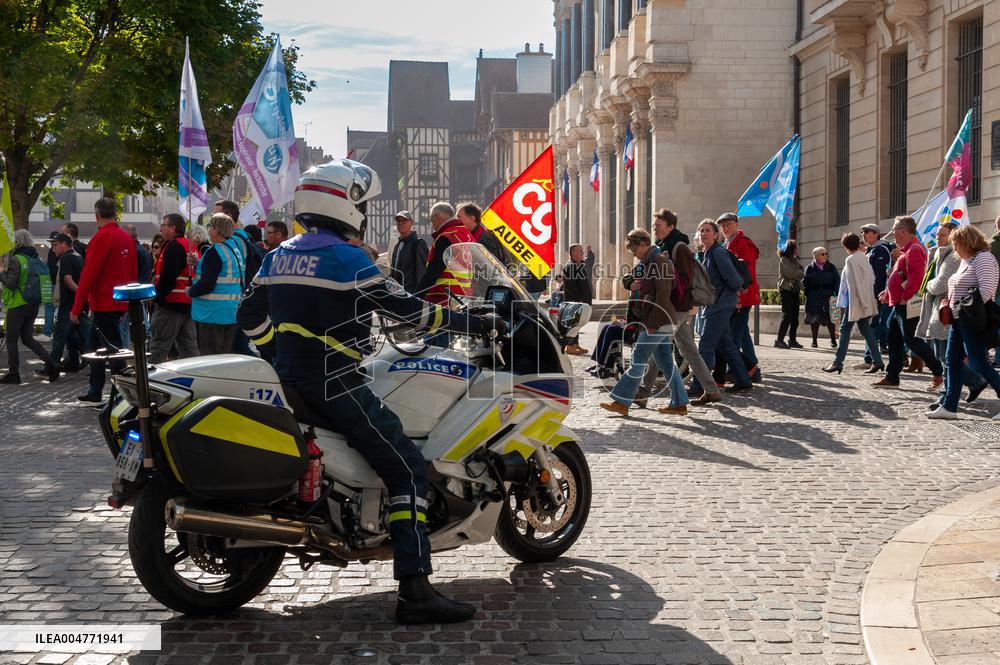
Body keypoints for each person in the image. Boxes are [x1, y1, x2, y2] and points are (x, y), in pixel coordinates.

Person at [237, 159, 496, 624]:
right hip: (336, 382)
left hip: (290, 380)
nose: (364, 208)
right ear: (344, 203)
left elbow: (249, 315)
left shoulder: (279, 255)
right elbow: (409, 314)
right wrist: (470, 321)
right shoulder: (346, 258)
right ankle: (415, 590)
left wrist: (276, 351)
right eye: (361, 201)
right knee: (408, 469)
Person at [599, 229, 689, 416]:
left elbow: (664, 294)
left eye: (634, 249)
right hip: (659, 320)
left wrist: (653, 323)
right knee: (666, 363)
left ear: (642, 244)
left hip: (658, 321)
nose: (633, 253)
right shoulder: (650, 262)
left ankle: (622, 401)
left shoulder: (659, 261)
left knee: (638, 359)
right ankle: (679, 403)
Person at [928, 224, 1000, 419]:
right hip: (958, 318)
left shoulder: (983, 258)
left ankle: (950, 405)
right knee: (952, 360)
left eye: (956, 243)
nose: (954, 247)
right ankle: (950, 407)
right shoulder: (967, 260)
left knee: (978, 363)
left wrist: (964, 306)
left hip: (971, 318)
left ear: (966, 242)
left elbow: (987, 290)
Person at [71, 197, 137, 402]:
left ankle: (122, 394)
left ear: (97, 214)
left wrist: (76, 307)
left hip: (104, 303)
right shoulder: (125, 238)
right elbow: (133, 272)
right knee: (97, 347)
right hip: (120, 301)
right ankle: (96, 389)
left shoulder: (101, 238)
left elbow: (89, 274)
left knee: (112, 351)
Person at [919, 222, 988, 406]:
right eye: (937, 234)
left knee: (950, 359)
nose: (938, 238)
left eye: (942, 235)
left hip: (951, 314)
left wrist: (928, 285)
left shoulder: (953, 257)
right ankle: (951, 395)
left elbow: (940, 283)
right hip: (943, 313)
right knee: (946, 358)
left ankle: (964, 388)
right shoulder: (938, 254)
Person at [873, 216, 945, 390]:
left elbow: (917, 277)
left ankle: (938, 371)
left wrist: (905, 297)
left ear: (903, 231)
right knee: (894, 339)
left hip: (906, 304)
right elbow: (899, 276)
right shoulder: (906, 250)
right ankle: (892, 377)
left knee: (912, 341)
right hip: (899, 303)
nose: (892, 232)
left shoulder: (915, 249)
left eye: (895, 229)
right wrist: (888, 291)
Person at [690, 219, 752, 395]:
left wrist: (734, 295)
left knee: (706, 346)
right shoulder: (707, 253)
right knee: (727, 346)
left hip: (720, 305)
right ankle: (744, 381)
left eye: (708, 230)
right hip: (715, 305)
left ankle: (699, 385)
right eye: (701, 230)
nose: (704, 233)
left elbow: (734, 279)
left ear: (716, 235)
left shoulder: (718, 253)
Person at [0, 230, 59, 384]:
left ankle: (13, 374)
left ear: (17, 242)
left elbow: (11, 284)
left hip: (18, 303)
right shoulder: (37, 259)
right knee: (27, 338)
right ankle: (52, 364)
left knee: (11, 339)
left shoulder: (16, 259)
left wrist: (1, 273)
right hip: (33, 304)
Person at [188, 213, 246, 356]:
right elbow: (224, 275)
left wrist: (190, 291)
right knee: (224, 359)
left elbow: (207, 284)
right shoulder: (233, 249)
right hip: (231, 312)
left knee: (210, 360)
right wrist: (197, 264)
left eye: (210, 227)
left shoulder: (214, 251)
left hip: (212, 314)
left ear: (216, 230)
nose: (208, 231)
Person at [825, 233, 882, 373]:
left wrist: (861, 302)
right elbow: (871, 279)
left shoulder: (851, 259)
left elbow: (853, 284)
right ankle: (878, 361)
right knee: (866, 331)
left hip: (856, 300)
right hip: (863, 299)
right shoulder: (863, 256)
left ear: (845, 246)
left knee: (845, 330)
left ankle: (837, 362)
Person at [148, 214, 199, 364]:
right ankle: (196, 376)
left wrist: (157, 297)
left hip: (171, 304)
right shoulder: (188, 245)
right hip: (186, 303)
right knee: (189, 348)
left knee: (158, 347)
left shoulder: (174, 246)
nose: (161, 228)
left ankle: (148, 382)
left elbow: (169, 276)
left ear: (173, 228)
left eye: (164, 225)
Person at [718, 212, 761, 382]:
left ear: (736, 224)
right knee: (743, 334)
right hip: (734, 296)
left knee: (733, 335)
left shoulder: (744, 243)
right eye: (723, 226)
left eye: (728, 224)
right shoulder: (726, 244)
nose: (725, 228)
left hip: (742, 296)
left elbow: (746, 274)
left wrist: (739, 298)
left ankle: (735, 371)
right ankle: (753, 370)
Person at [414, 202, 475, 305]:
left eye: (431, 221)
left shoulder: (447, 237)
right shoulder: (468, 235)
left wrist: (415, 297)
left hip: (444, 300)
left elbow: (434, 270)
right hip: (465, 299)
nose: (432, 225)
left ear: (436, 217)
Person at [47, 232, 84, 373]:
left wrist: (81, 296)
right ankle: (74, 362)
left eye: (55, 245)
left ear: (64, 244)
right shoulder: (78, 256)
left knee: (59, 336)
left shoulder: (66, 258)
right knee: (71, 335)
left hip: (68, 303)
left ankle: (51, 368)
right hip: (76, 302)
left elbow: (68, 281)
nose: (53, 248)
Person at [862, 223, 894, 364]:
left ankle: (871, 358)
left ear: (875, 234)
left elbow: (879, 275)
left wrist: (875, 295)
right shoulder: (871, 250)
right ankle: (869, 357)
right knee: (871, 326)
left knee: (876, 326)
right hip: (872, 294)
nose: (863, 234)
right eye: (862, 232)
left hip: (879, 295)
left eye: (866, 232)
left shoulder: (880, 250)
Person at [560, 243, 595, 355]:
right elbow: (571, 286)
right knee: (572, 324)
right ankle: (569, 346)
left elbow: (589, 263)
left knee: (578, 324)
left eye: (582, 251)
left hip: (581, 301)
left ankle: (575, 344)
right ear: (573, 253)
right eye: (579, 251)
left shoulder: (580, 264)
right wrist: (579, 300)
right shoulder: (570, 266)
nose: (582, 253)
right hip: (574, 301)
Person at [803, 247, 839, 348]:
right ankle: (814, 341)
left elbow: (837, 281)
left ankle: (833, 340)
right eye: (822, 254)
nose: (825, 256)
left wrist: (835, 294)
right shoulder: (809, 268)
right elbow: (805, 282)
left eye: (826, 254)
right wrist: (808, 292)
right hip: (814, 297)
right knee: (814, 319)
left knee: (830, 319)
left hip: (829, 296)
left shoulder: (831, 267)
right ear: (815, 255)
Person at [389, 210, 429, 293]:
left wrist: (418, 294)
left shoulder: (418, 243)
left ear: (411, 223)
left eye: (404, 221)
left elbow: (421, 272)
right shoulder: (397, 246)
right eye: (398, 221)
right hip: (397, 293)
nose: (401, 223)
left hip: (411, 293)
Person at [775, 240, 804, 348]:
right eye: (795, 247)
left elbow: (801, 270)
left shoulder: (794, 260)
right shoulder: (784, 259)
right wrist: (800, 273)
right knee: (787, 315)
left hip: (794, 289)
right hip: (786, 289)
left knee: (795, 317)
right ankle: (779, 340)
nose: (797, 249)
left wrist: (799, 272)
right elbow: (791, 273)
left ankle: (792, 340)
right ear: (790, 248)